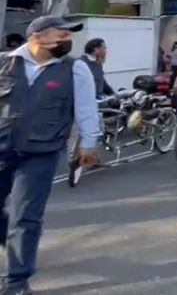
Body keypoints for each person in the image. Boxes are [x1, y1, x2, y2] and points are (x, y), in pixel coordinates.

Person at [0, 16, 100, 293]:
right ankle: (14, 240)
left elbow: (86, 109)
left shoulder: (74, 69)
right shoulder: (5, 63)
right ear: (36, 37)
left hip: (40, 152)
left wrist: (88, 143)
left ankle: (16, 281)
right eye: (62, 34)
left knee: (25, 217)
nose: (68, 39)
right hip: (2, 147)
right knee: (13, 221)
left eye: (70, 35)